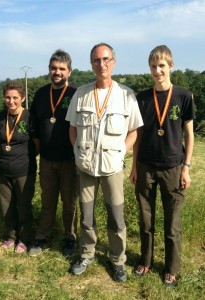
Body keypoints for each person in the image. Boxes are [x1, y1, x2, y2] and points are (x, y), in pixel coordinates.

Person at [66, 42, 143, 282]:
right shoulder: (81, 93)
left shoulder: (126, 95)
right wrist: (78, 152)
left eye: (106, 59)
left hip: (112, 167)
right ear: (91, 64)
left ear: (114, 62)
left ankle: (118, 260)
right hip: (86, 167)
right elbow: (72, 128)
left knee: (116, 217)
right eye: (97, 60)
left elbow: (134, 131)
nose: (102, 64)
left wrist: (121, 153)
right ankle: (87, 253)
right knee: (87, 216)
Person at [130, 45, 194, 288]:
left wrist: (186, 167)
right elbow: (137, 133)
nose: (157, 71)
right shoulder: (143, 98)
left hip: (172, 167)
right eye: (153, 66)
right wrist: (134, 167)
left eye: (162, 66)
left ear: (171, 66)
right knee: (146, 221)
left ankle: (171, 269)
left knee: (172, 223)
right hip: (146, 165)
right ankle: (145, 261)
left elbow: (189, 134)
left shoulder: (184, 96)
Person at [29, 49, 78, 257]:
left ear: (69, 71)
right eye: (53, 68)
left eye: (61, 68)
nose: (57, 72)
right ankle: (42, 236)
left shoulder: (76, 93)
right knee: (47, 200)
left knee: (69, 203)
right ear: (49, 70)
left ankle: (70, 237)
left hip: (70, 160)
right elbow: (34, 127)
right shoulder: (41, 94)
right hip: (47, 160)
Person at [0, 80, 38, 254]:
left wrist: (23, 159)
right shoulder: (0, 117)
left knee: (24, 205)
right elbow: (1, 141)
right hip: (2, 169)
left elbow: (37, 143)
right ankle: (10, 237)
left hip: (24, 170)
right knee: (7, 205)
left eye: (15, 98)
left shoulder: (29, 117)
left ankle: (24, 239)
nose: (11, 101)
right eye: (7, 97)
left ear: (23, 98)